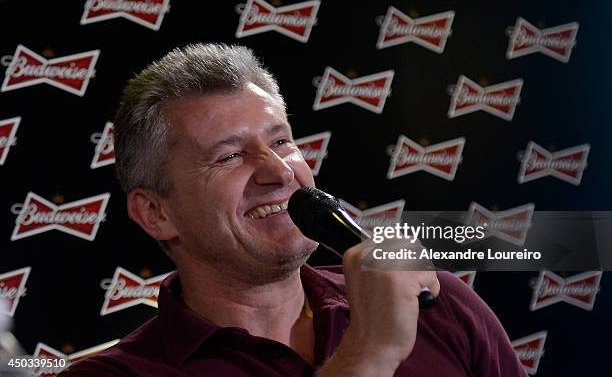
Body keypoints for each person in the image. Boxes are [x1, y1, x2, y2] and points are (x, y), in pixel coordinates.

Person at [59, 43, 526, 376]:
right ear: (155, 213)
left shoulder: (439, 306)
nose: (279, 172)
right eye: (229, 156)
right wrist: (368, 356)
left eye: (281, 141)